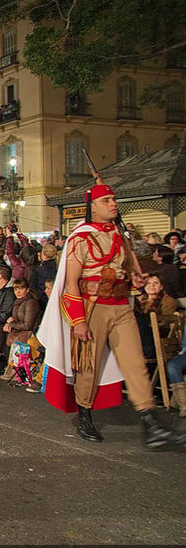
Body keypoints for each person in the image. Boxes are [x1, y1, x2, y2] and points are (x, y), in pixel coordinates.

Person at [36, 178, 184, 448]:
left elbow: (128, 271)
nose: (113, 204)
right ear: (93, 206)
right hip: (93, 307)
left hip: (120, 305)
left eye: (114, 200)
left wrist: (134, 281)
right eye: (107, 200)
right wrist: (78, 320)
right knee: (88, 366)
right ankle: (85, 415)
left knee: (134, 363)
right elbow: (71, 283)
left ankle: (152, 425)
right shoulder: (80, 238)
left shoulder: (119, 236)